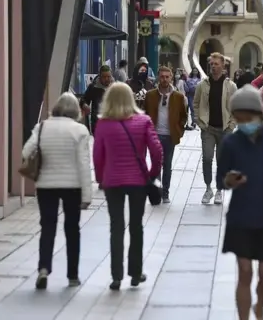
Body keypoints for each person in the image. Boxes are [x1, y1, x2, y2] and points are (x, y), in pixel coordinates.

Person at [216, 85, 263, 320]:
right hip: (242, 215)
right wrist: (229, 181)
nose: (242, 122)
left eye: (246, 117)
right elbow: (221, 178)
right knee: (245, 271)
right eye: (238, 118)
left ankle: (260, 306)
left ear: (258, 114)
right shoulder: (231, 143)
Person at [93, 82, 163, 291]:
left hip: (113, 181)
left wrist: (100, 178)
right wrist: (151, 174)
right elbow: (157, 150)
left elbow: (98, 155)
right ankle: (135, 272)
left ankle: (116, 276)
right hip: (137, 183)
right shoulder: (143, 122)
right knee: (136, 226)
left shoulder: (103, 124)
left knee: (116, 227)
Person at [22, 92, 91, 290]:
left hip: (46, 185)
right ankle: (72, 275)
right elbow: (83, 164)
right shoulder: (79, 130)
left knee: (48, 227)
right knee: (72, 229)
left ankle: (43, 269)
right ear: (76, 110)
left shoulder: (42, 127)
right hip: (72, 186)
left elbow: (26, 151)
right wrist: (86, 196)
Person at [193, 52, 238, 205]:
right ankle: (208, 188)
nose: (213, 66)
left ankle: (219, 190)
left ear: (223, 66)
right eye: (211, 64)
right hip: (208, 128)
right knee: (207, 158)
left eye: (216, 64)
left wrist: (232, 125)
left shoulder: (230, 86)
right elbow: (196, 104)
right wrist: (199, 122)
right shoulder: (203, 84)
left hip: (225, 129)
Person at [144, 66, 188, 203]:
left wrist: (179, 130)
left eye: (167, 77)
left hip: (170, 135)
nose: (164, 79)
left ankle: (165, 193)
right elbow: (144, 113)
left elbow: (184, 116)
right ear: (158, 77)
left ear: (171, 78)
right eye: (162, 76)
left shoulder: (178, 97)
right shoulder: (150, 95)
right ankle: (156, 192)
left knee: (167, 165)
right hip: (154, 135)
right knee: (156, 165)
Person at [81, 65, 114, 135]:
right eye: (104, 77)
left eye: (108, 77)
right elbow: (84, 99)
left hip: (112, 123)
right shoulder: (93, 88)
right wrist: (85, 105)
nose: (107, 79)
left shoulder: (115, 87)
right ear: (99, 77)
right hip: (97, 123)